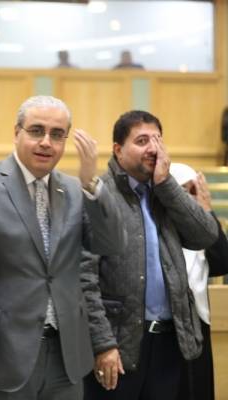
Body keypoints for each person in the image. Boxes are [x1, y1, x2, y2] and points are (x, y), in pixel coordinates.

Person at [0, 95, 126, 399]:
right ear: (16, 133)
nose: (46, 142)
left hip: (66, 356)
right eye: (36, 131)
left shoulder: (75, 189)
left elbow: (111, 244)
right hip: (3, 354)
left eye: (57, 134)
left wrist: (91, 184)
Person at [80, 111, 219, 400]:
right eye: (142, 141)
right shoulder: (99, 194)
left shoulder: (165, 192)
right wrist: (103, 343)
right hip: (120, 345)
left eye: (157, 140)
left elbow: (206, 236)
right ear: (118, 149)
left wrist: (167, 184)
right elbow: (84, 279)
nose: (153, 148)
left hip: (170, 342)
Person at [170, 163, 228, 400]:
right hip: (165, 329)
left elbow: (223, 262)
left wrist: (206, 210)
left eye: (192, 190)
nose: (188, 198)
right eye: (181, 191)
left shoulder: (201, 230)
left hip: (197, 329)